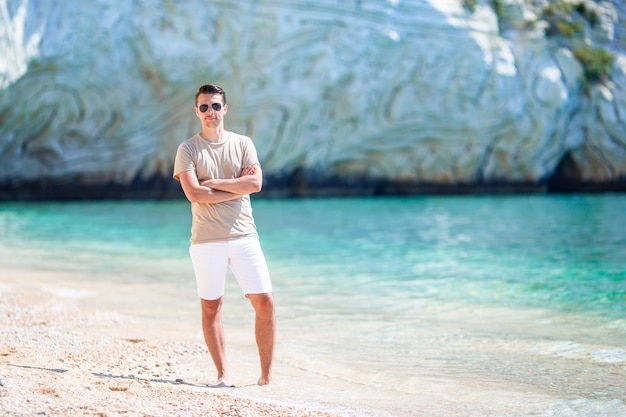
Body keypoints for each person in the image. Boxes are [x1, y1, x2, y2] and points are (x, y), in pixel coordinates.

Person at [173, 84, 275, 387]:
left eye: (215, 106)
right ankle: (222, 375)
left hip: (245, 236)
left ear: (225, 109)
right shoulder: (188, 149)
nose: (210, 112)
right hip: (206, 240)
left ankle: (266, 377)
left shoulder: (243, 143)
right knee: (211, 306)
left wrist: (214, 183)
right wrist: (234, 185)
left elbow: (255, 184)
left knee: (266, 302)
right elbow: (193, 193)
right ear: (196, 111)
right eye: (204, 107)